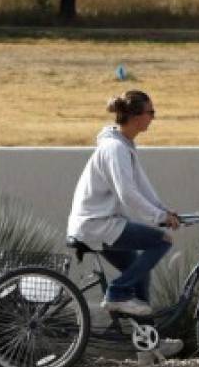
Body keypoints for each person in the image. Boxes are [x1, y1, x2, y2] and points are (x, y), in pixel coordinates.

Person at [66, 90, 181, 329]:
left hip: (100, 223)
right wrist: (160, 218)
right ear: (136, 116)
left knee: (139, 271)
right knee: (163, 240)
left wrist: (164, 211)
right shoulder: (115, 149)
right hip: (97, 224)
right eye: (151, 112)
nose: (153, 118)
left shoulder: (124, 145)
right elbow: (127, 193)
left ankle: (149, 346)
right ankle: (117, 293)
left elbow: (142, 187)